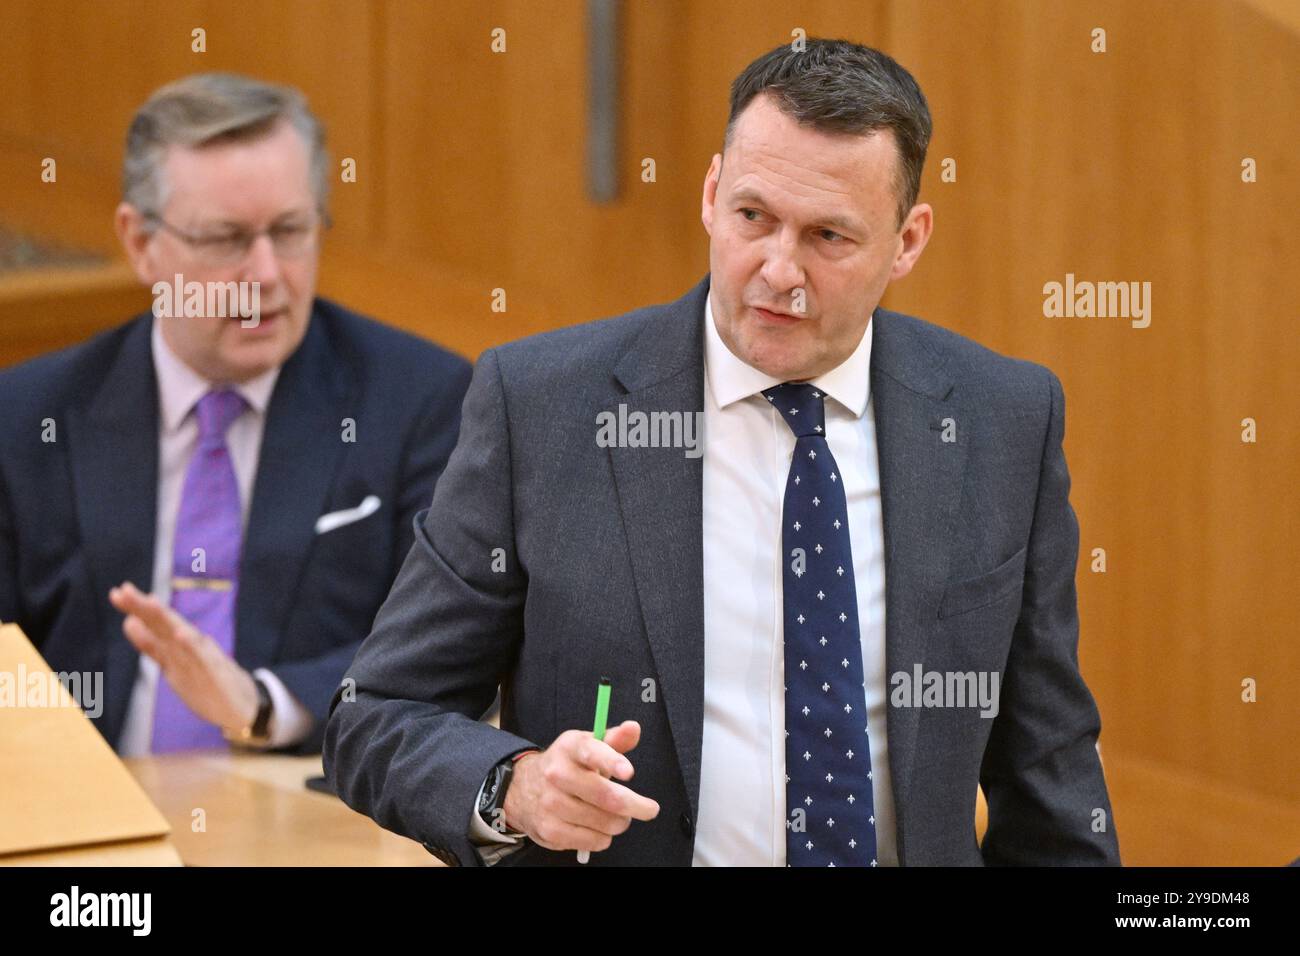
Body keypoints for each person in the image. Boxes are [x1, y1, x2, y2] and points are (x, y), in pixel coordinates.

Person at [324, 39, 1121, 866]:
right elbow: (376, 711)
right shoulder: (544, 407)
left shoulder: (1002, 420)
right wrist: (516, 785)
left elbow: (1048, 771)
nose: (780, 270)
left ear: (908, 240)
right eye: (754, 217)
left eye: (828, 236)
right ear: (710, 195)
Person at [0, 72, 471, 756]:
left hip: (308, 815)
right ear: (139, 243)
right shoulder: (27, 416)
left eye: (289, 231)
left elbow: (445, 648)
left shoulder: (420, 402)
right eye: (225, 240)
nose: (267, 276)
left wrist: (264, 703)